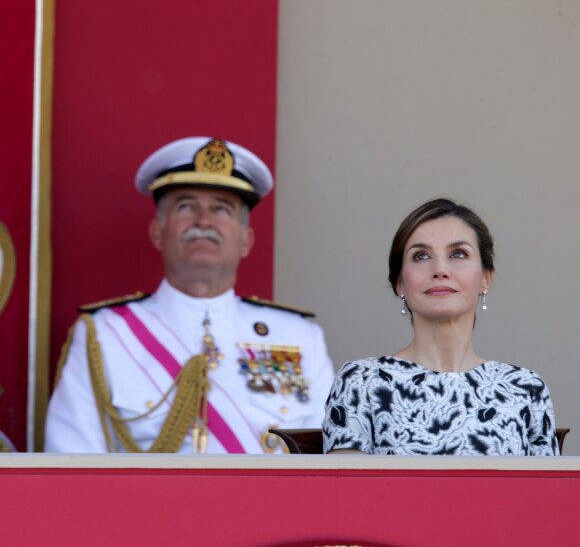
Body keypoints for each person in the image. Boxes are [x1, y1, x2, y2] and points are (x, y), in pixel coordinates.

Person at [45, 137, 334, 453]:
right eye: (186, 206)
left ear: (246, 240)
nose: (204, 221)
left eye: (221, 209)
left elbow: (325, 459)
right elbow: (71, 460)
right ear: (158, 232)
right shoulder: (104, 335)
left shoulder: (300, 337)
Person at [323, 198, 559, 456]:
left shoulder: (525, 388)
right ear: (400, 283)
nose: (440, 269)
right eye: (421, 256)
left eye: (458, 254)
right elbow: (344, 494)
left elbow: (544, 494)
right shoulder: (361, 381)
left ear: (486, 278)